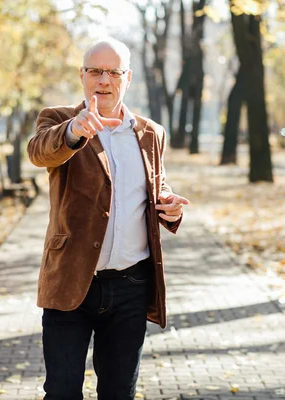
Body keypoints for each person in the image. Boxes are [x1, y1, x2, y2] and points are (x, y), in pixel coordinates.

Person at [27, 37, 189, 400]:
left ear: (127, 78)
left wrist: (170, 208)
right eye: (95, 71)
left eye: (113, 72)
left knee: (119, 392)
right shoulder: (59, 121)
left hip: (131, 286)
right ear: (82, 75)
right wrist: (73, 132)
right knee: (62, 391)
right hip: (71, 281)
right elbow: (40, 152)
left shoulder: (151, 133)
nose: (104, 80)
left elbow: (157, 187)